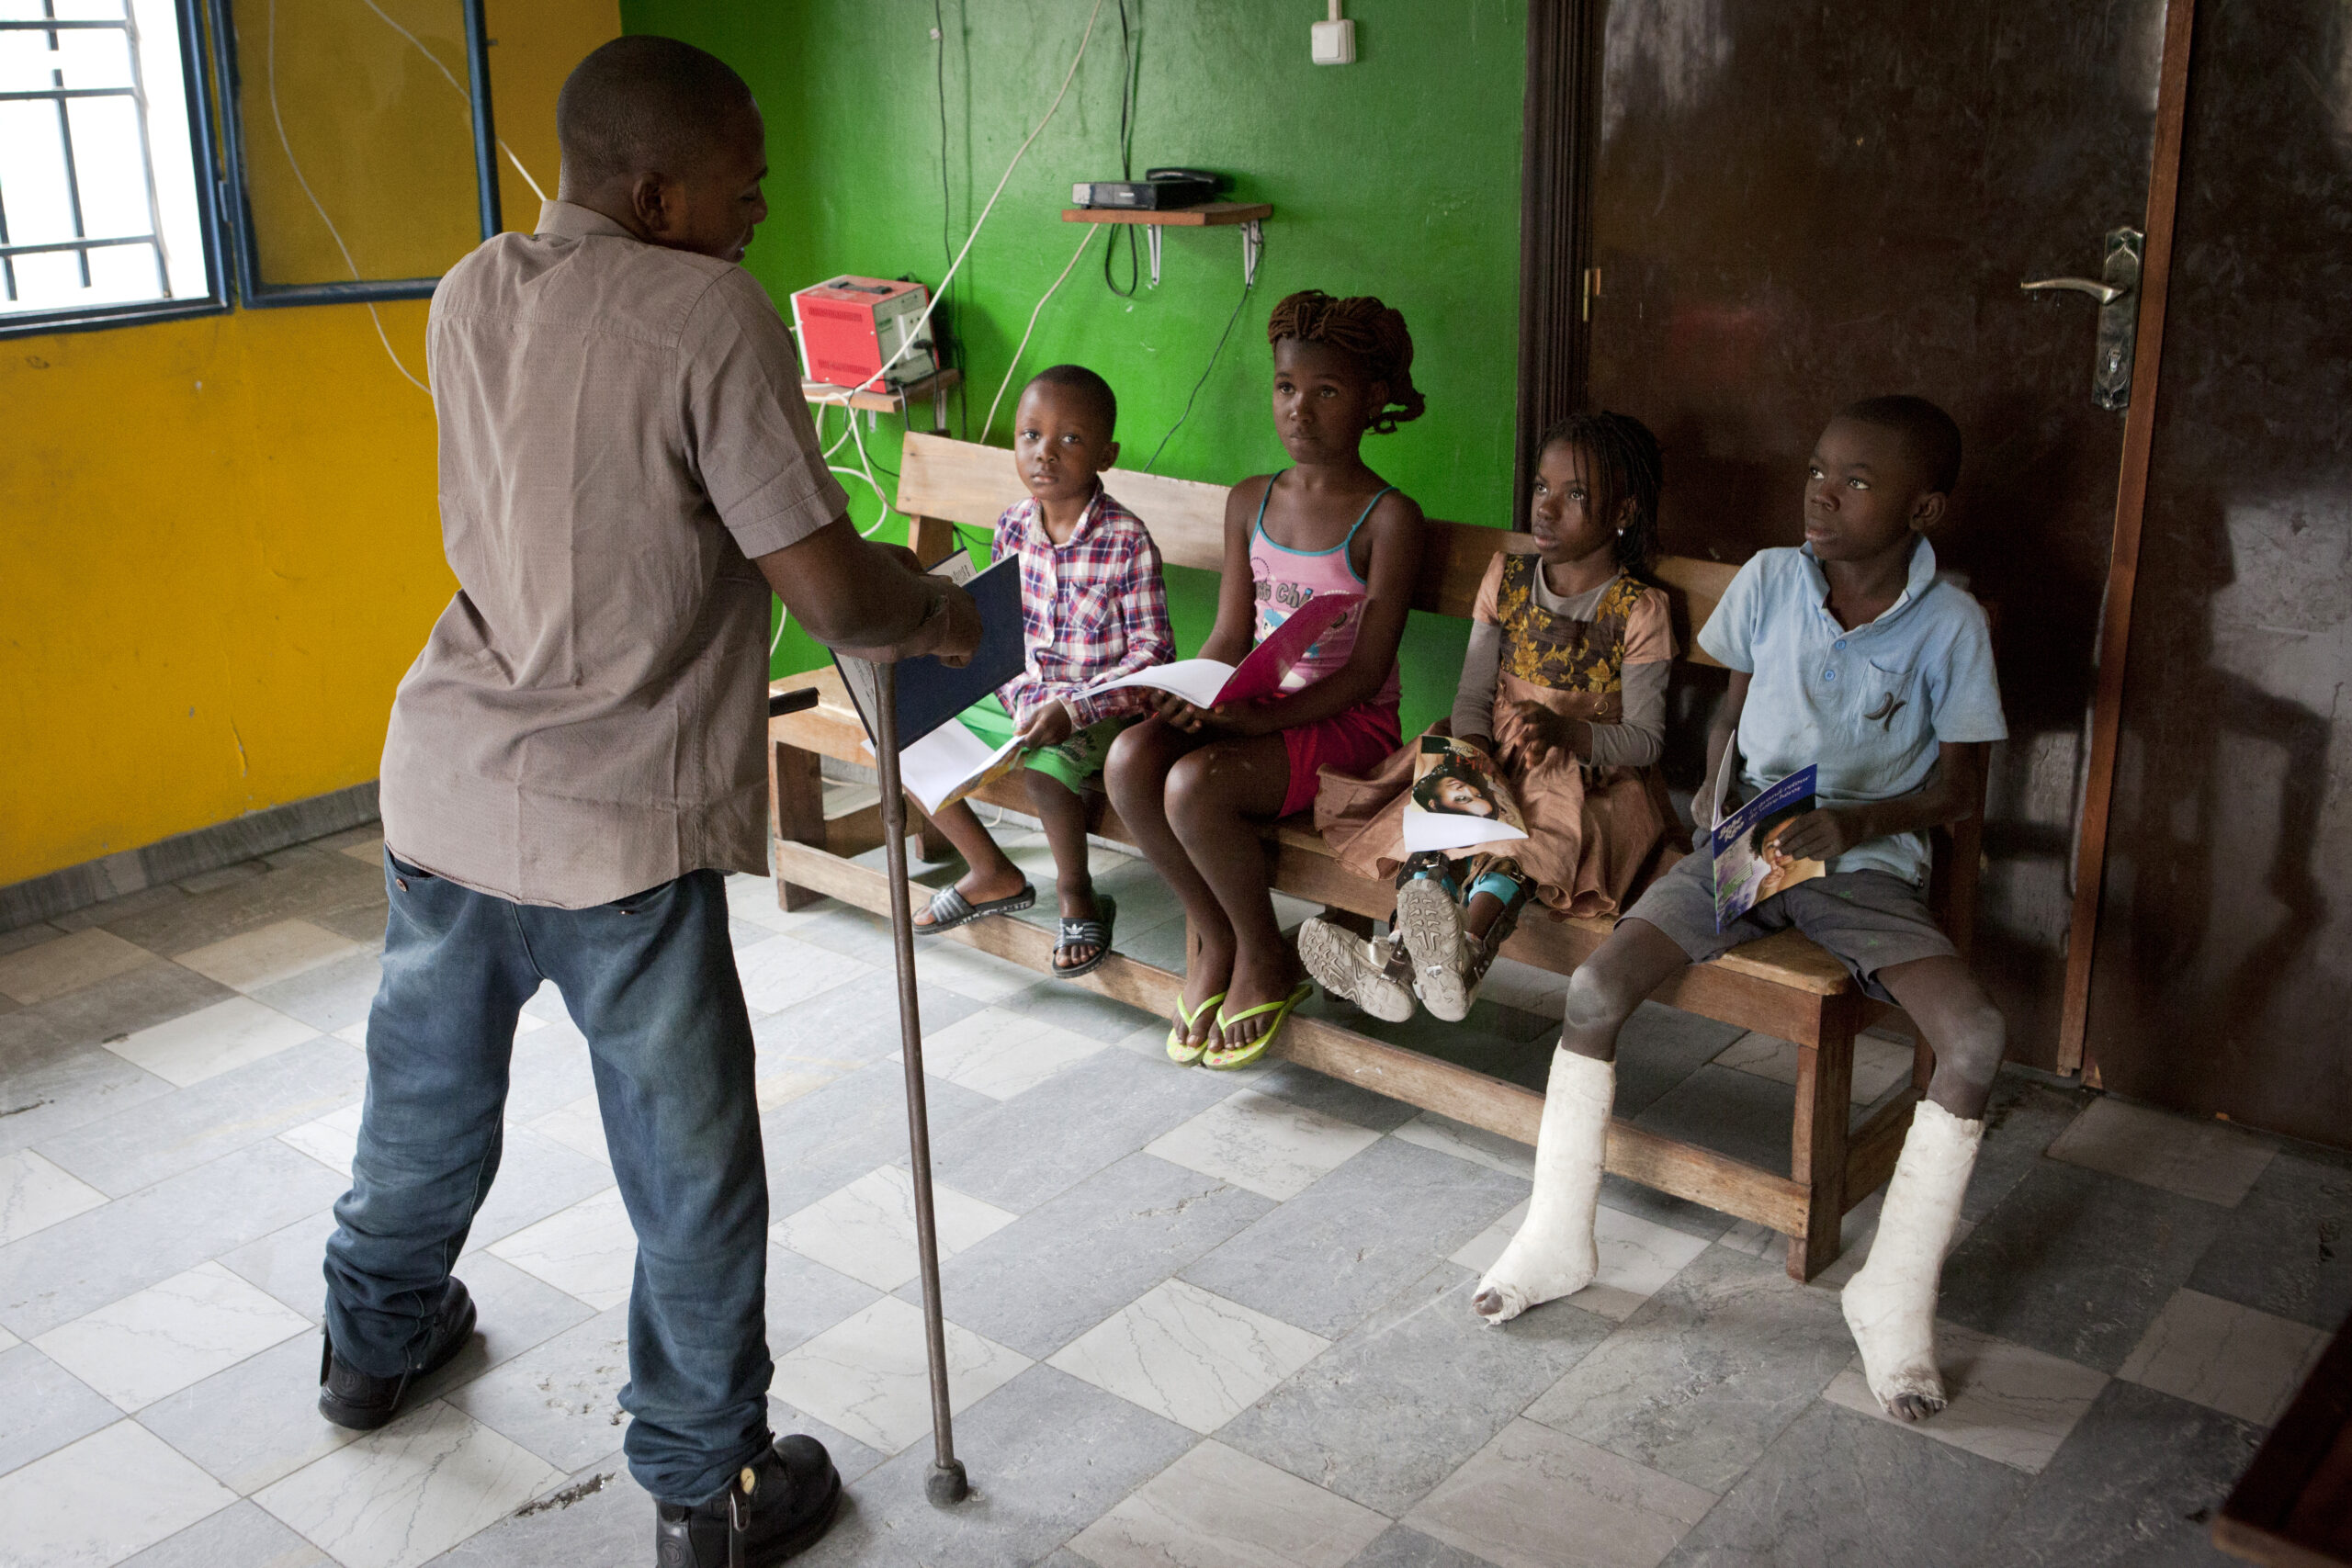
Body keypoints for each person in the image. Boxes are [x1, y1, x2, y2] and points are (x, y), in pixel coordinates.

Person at [320, 37, 979, 1568]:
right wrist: (941, 618)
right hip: (618, 823)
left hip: (451, 792)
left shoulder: (470, 284)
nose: (764, 203)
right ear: (658, 185)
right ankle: (708, 1489)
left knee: (422, 1104)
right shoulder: (709, 309)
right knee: (690, 1168)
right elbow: (820, 576)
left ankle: (371, 1350)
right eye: (747, 179)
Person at [1470, 396, 2007, 1431]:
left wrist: (1853, 827)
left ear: (1924, 507)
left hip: (1865, 866)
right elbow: (1730, 712)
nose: (1821, 489)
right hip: (1743, 852)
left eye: (1857, 479)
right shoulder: (1770, 578)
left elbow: (1956, 790)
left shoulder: (1950, 625)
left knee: (1977, 1036)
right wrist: (1710, 822)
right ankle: (1555, 1235)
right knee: (1592, 988)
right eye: (1817, 466)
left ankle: (1891, 1295)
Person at [1105, 289, 1426, 1068]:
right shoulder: (1250, 499)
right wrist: (1188, 690)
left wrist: (1248, 724)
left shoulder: (1389, 518)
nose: (1300, 410)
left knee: (1194, 785)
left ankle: (1262, 953)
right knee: (1130, 759)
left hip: (1345, 724)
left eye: (1326, 392)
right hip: (1258, 705)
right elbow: (1227, 635)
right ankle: (1213, 933)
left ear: (1373, 399)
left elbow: (1365, 674)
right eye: (1287, 387)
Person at [1303, 413, 1677, 1024]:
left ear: (1623, 511)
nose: (1548, 508)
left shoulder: (1639, 609)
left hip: (1589, 775)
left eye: (1575, 494)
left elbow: (1646, 740)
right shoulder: (1505, 577)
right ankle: (1414, 962)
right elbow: (1473, 695)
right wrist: (1478, 759)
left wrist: (1566, 733)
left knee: (1531, 829)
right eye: (1541, 488)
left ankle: (1455, 951)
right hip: (1490, 746)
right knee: (1452, 814)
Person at [907, 365, 1174, 976]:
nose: (1044, 453)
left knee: (1048, 775)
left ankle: (1077, 894)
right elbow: (1002, 635)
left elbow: (1153, 656)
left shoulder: (1127, 540)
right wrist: (1020, 692)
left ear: (1107, 453)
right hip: (1020, 695)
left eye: (1070, 439)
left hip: (1098, 711)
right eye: (1030, 435)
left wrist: (1073, 706)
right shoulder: (1011, 526)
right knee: (904, 726)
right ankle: (991, 870)